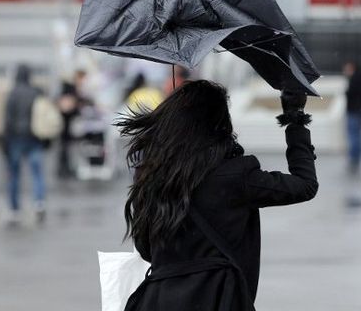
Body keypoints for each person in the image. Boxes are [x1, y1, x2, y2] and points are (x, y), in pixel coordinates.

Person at [116, 80, 317, 311]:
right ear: (218, 123)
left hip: (159, 300)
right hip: (217, 298)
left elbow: (147, 249)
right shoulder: (235, 175)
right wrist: (295, 116)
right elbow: (304, 185)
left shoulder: (151, 176)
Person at [3, 64, 46, 222]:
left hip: (16, 138)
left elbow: (7, 120)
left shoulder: (12, 94)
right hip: (34, 137)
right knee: (37, 172)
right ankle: (39, 202)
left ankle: (14, 208)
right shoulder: (36, 92)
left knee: (14, 174)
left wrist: (4, 143)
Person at [57, 69, 88, 179]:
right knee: (65, 148)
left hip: (67, 123)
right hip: (66, 123)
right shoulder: (70, 88)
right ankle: (63, 170)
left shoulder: (72, 88)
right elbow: (67, 105)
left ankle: (65, 169)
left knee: (66, 148)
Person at [344, 62, 361, 174]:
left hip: (353, 110)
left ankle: (354, 159)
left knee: (353, 135)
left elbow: (351, 93)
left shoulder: (354, 78)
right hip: (357, 109)